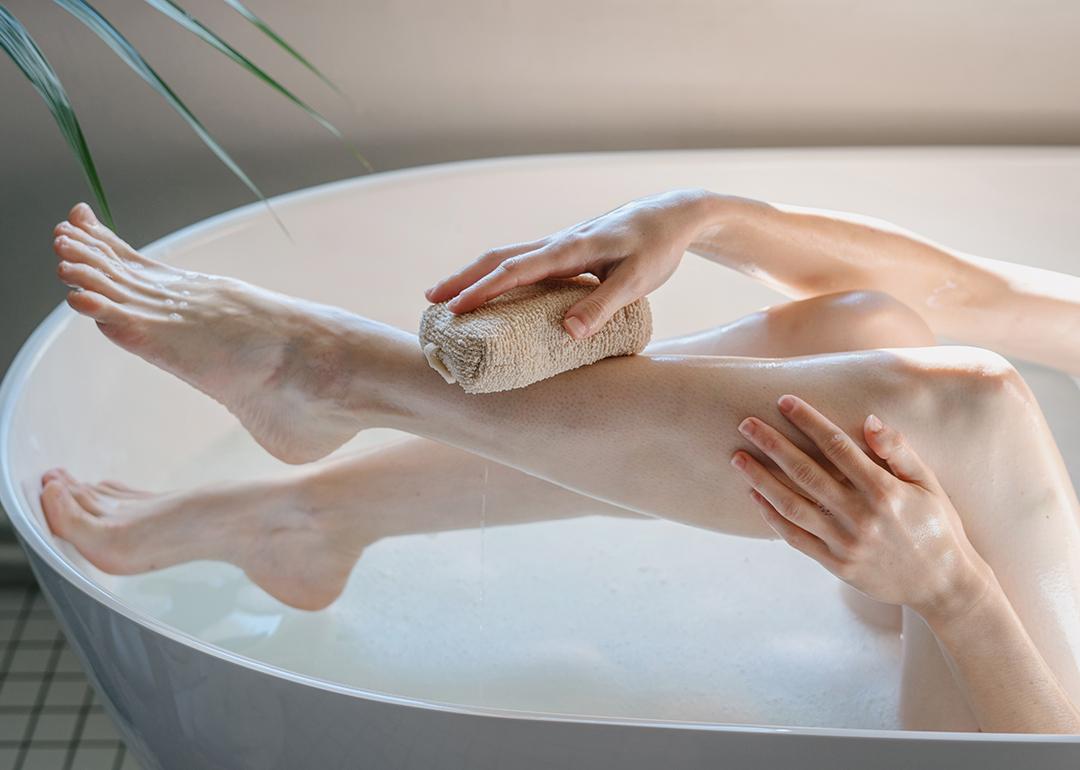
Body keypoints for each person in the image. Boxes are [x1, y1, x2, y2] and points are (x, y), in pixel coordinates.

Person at [39, 191, 1080, 733]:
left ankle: (344, 373)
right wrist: (701, 216)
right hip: (1003, 608)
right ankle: (316, 513)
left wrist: (953, 590)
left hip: (1020, 710)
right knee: (869, 327)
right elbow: (978, 298)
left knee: (968, 413)